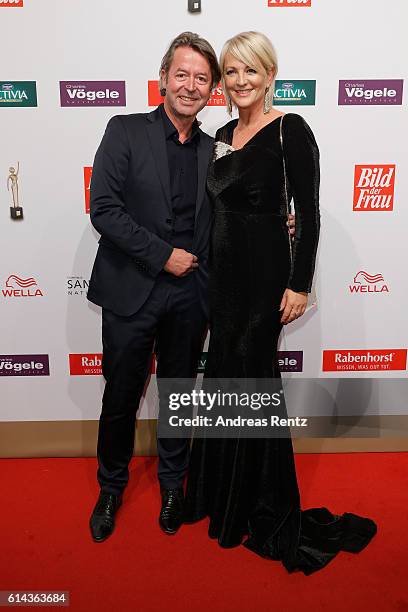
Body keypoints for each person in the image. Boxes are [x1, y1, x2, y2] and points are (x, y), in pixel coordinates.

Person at [183, 31, 377, 574]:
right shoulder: (222, 133)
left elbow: (308, 213)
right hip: (221, 282)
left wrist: (299, 283)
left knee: (252, 377)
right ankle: (222, 498)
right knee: (223, 377)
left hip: (265, 279)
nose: (241, 81)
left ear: (270, 75)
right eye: (233, 71)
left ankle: (258, 502)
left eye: (252, 70)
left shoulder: (291, 128)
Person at [87, 32, 221, 542]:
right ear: (163, 78)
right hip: (131, 289)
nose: (190, 86)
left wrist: (282, 226)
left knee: (180, 395)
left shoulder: (216, 149)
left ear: (211, 90)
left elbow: (234, 216)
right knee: (121, 395)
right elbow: (105, 209)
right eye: (182, 74)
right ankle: (110, 487)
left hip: (190, 295)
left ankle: (171, 486)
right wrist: (163, 254)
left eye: (201, 79)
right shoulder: (123, 130)